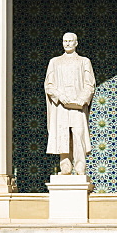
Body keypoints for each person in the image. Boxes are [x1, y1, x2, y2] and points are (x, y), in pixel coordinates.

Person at [45, 32, 95, 176]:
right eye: (65, 41)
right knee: (63, 135)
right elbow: (49, 85)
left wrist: (82, 99)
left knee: (78, 135)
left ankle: (80, 169)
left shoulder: (84, 61)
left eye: (70, 41)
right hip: (61, 105)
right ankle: (65, 167)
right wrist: (60, 96)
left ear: (76, 43)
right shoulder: (55, 62)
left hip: (77, 106)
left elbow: (89, 84)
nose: (67, 43)